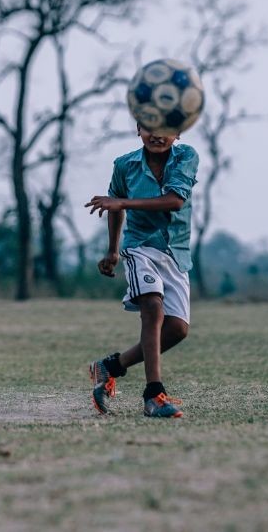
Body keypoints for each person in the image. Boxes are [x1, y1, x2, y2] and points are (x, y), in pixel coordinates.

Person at [84, 123, 198, 418]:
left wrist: (121, 201)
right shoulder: (124, 165)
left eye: (166, 127)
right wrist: (112, 250)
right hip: (139, 247)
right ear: (137, 128)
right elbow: (114, 206)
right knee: (152, 308)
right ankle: (154, 395)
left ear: (179, 132)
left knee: (177, 330)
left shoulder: (186, 157)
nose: (156, 134)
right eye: (149, 126)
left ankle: (110, 366)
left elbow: (174, 201)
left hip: (175, 252)